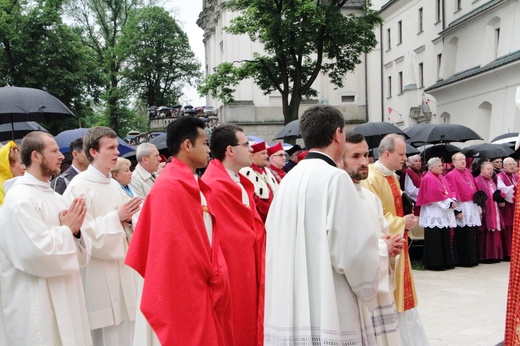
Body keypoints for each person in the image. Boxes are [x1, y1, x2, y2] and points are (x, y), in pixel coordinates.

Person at [264, 105, 380, 345]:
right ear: (338, 134)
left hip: (290, 301)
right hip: (329, 300)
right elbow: (353, 251)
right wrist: (375, 266)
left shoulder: (288, 179)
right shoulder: (335, 178)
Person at [125, 117, 234, 345]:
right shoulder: (169, 187)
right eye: (204, 143)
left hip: (199, 283)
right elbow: (169, 254)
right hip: (182, 290)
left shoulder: (187, 182)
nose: (208, 150)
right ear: (187, 145)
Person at [0, 131, 92, 345]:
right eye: (54, 150)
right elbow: (33, 254)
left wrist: (77, 233)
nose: (61, 155)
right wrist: (66, 231)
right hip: (36, 300)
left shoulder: (56, 198)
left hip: (67, 295)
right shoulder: (19, 198)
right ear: (36, 156)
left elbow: (81, 256)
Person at [63, 126, 142, 345]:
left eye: (117, 147)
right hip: (98, 275)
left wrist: (128, 220)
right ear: (93, 152)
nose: (117, 152)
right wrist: (116, 217)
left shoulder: (115, 185)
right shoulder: (79, 187)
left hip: (124, 271)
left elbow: (131, 221)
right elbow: (80, 235)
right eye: (111, 147)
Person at [201, 123, 266, 345]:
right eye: (246, 144)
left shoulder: (237, 180)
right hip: (234, 269)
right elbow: (229, 236)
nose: (251, 149)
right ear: (230, 150)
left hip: (248, 263)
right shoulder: (215, 186)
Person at [362, 134, 428, 346]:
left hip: (400, 247)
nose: (405, 158)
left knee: (405, 298)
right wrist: (401, 222)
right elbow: (373, 216)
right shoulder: (371, 179)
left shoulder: (392, 176)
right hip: (388, 247)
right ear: (387, 153)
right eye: (401, 154)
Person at [342, 131, 404, 346]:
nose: (364, 162)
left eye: (366, 155)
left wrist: (392, 245)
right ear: (340, 160)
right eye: (355, 156)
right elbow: (345, 249)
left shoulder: (370, 198)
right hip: (355, 290)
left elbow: (383, 230)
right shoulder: (339, 197)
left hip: (379, 282)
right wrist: (382, 247)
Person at [416, 157, 458, 270]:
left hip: (442, 211)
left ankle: (446, 261)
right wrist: (449, 203)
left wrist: (453, 200)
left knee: (444, 236)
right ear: (432, 166)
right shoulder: (428, 178)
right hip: (434, 212)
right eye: (439, 166)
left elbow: (450, 189)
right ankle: (435, 263)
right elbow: (434, 195)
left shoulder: (441, 177)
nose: (442, 168)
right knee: (435, 239)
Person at [445, 152, 480, 267]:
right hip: (462, 206)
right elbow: (452, 195)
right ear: (453, 162)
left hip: (472, 206)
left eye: (464, 159)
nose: (463, 161)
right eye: (460, 160)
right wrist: (457, 211)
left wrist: (478, 209)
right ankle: (463, 260)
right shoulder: (451, 175)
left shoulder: (469, 173)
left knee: (471, 233)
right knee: (462, 233)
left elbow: (475, 189)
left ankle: (472, 259)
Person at [240, 141, 278, 222]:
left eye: (266, 153)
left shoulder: (267, 171)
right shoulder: (245, 172)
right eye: (263, 153)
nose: (266, 156)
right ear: (252, 155)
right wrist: (270, 210)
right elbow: (252, 199)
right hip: (261, 217)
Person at [475, 161, 504, 263]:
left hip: (494, 209)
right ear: (482, 170)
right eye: (488, 169)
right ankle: (486, 256)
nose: (491, 171)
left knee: (495, 231)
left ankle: (495, 255)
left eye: (492, 169)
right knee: (486, 233)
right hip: (484, 210)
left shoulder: (492, 181)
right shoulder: (478, 180)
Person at [496, 157, 517, 260]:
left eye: (514, 164)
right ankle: (508, 253)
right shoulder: (500, 176)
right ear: (504, 166)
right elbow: (502, 190)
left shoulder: (515, 176)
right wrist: (515, 187)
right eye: (510, 164)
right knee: (508, 228)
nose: (512, 166)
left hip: (516, 206)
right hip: (507, 205)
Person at [0, 140, 25, 206]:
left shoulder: (20, 182)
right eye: (22, 163)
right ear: (8, 165)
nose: (25, 167)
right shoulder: (3, 188)